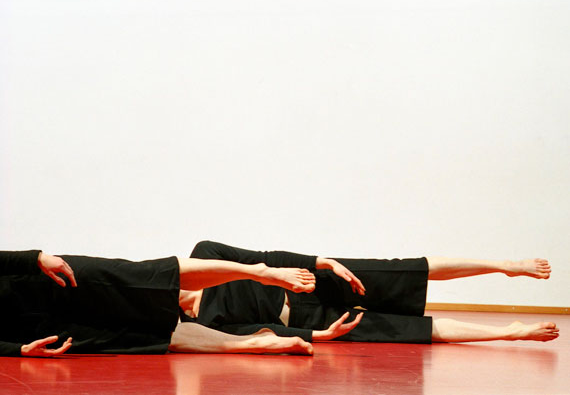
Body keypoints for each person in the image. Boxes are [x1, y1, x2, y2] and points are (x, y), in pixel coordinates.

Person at [179, 241, 559, 344]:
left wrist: (322, 262)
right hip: (313, 319)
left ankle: (505, 266)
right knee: (410, 332)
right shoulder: (199, 325)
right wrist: (318, 335)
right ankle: (510, 332)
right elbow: (259, 334)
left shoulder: (204, 255)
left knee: (407, 270)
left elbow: (264, 257)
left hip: (314, 279)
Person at [0, 249, 321, 357]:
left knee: (148, 278)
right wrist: (18, 350)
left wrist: (34, 258)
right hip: (26, 330)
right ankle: (254, 343)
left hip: (38, 281)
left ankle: (258, 272)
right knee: (143, 337)